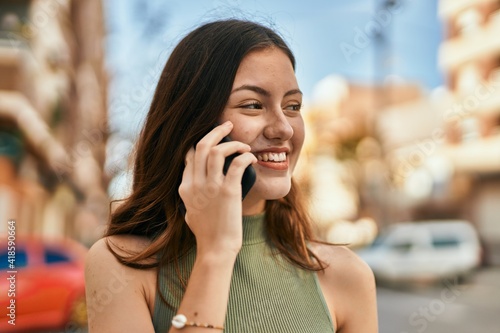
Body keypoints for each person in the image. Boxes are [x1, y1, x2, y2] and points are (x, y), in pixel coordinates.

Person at [85, 19, 378, 333]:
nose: (284, 128)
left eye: (292, 106)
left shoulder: (346, 275)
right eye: (253, 105)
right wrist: (215, 253)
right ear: (194, 125)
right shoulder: (120, 265)